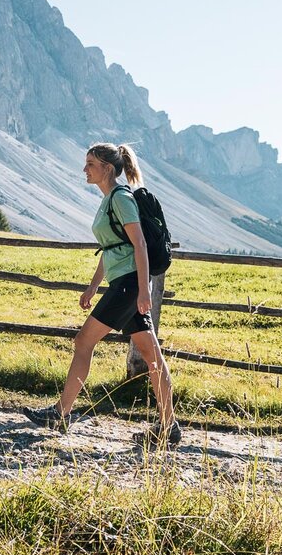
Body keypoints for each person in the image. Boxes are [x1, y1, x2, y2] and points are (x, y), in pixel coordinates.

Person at [23, 143, 181, 449]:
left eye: (90, 163)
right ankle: (168, 427)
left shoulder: (120, 199)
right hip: (124, 282)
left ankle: (60, 413)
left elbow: (139, 245)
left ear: (107, 168)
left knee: (84, 342)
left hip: (128, 285)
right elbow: (112, 247)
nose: (85, 169)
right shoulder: (110, 200)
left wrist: (143, 290)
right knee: (151, 355)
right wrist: (94, 285)